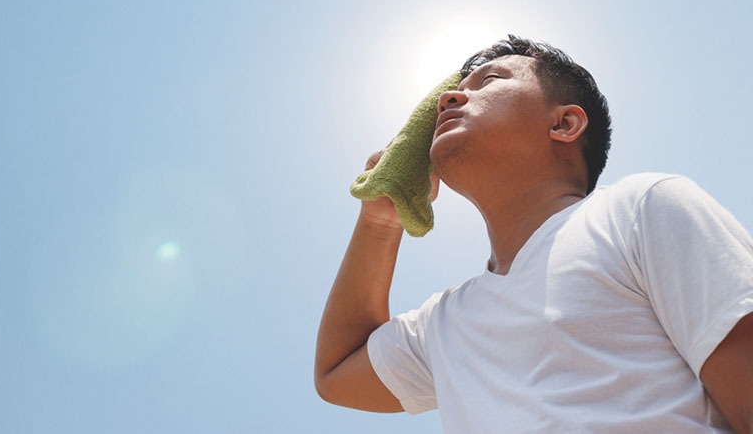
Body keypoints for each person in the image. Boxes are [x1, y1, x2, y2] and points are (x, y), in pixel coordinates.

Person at [314, 35, 753, 433]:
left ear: (564, 125)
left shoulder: (640, 208)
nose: (449, 98)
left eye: (489, 81)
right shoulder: (444, 322)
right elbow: (337, 373)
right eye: (456, 90)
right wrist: (380, 220)